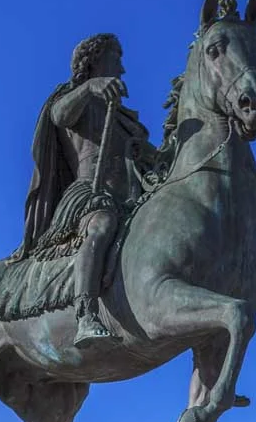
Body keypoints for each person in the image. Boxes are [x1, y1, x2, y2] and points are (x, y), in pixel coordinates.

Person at [11, 33, 155, 348]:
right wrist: (89, 88)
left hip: (129, 195)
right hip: (89, 193)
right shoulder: (71, 97)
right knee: (101, 226)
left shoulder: (121, 117)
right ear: (94, 61)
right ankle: (86, 314)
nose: (123, 69)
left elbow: (148, 156)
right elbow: (59, 115)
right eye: (117, 59)